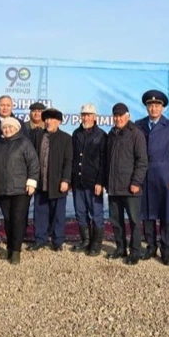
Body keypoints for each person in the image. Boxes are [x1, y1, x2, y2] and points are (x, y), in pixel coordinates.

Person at [136, 90, 169, 266]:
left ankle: (166, 249)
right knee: (147, 213)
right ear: (147, 107)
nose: (153, 108)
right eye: (150, 105)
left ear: (162, 108)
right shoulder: (139, 125)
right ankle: (150, 246)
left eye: (157, 105)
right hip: (145, 174)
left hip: (164, 174)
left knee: (165, 214)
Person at [0, 95, 28, 248]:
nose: (5, 107)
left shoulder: (21, 124)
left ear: (12, 106)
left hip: (15, 177)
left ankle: (16, 240)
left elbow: (26, 149)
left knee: (15, 213)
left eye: (8, 105)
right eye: (2, 105)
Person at [105, 103, 148, 265]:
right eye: (115, 115)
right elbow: (107, 162)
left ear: (127, 116)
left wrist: (136, 182)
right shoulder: (111, 134)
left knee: (134, 221)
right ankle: (120, 248)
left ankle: (135, 251)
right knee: (116, 221)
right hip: (114, 187)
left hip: (131, 188)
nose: (118, 118)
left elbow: (142, 161)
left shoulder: (136, 134)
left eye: (121, 115)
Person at [0, 116, 39, 264]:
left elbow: (33, 163)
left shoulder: (24, 142)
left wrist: (31, 182)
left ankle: (16, 251)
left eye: (10, 127)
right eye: (5, 127)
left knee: (18, 219)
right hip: (3, 188)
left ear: (17, 128)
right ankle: (9, 248)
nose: (7, 130)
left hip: (21, 189)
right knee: (7, 219)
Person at [28, 108, 73, 252]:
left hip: (58, 183)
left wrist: (65, 180)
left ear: (58, 121)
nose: (48, 122)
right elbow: (32, 158)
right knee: (40, 213)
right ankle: (40, 239)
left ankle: (57, 241)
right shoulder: (38, 136)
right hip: (41, 182)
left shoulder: (66, 138)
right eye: (46, 119)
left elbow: (68, 161)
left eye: (52, 119)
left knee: (58, 214)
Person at [70, 103, 106, 256]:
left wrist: (100, 181)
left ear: (95, 117)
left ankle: (96, 244)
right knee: (80, 212)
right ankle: (85, 240)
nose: (86, 117)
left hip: (93, 183)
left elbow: (104, 161)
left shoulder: (101, 135)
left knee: (96, 214)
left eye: (89, 115)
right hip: (78, 181)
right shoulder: (76, 133)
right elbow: (72, 158)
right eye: (84, 114)